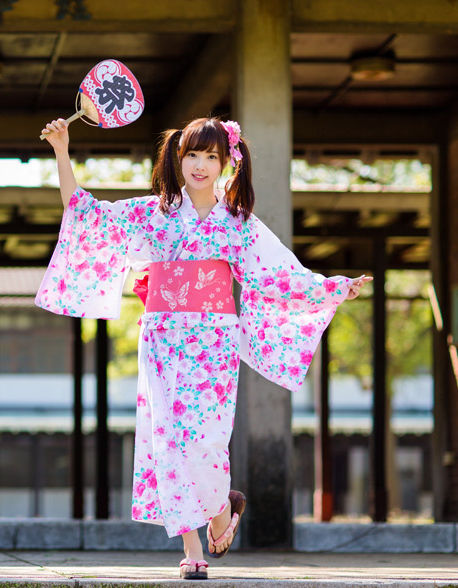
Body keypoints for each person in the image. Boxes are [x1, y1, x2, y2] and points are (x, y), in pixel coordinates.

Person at [37, 116, 371, 580]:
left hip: (214, 338)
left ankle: (220, 508)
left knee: (206, 442)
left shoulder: (237, 222)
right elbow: (85, 213)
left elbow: (281, 275)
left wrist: (334, 287)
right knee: (169, 440)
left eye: (210, 156)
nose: (199, 164)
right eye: (192, 154)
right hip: (162, 336)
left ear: (225, 162)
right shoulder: (152, 213)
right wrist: (61, 149)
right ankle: (192, 546)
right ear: (178, 159)